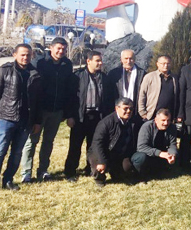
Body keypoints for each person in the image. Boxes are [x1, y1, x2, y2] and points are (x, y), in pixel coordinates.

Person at [21, 37, 72, 183]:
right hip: (40, 109)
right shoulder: (40, 63)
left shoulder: (67, 65)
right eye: (58, 48)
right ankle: (26, 173)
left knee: (48, 142)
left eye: (63, 49)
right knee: (32, 141)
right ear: (51, 47)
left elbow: (68, 89)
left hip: (56, 110)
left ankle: (43, 170)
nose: (61, 51)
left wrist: (66, 111)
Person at [64, 50, 114, 182]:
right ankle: (70, 172)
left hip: (97, 117)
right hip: (81, 117)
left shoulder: (104, 77)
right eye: (97, 60)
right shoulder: (78, 77)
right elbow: (70, 98)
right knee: (75, 146)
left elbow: (108, 99)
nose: (100, 63)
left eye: (100, 60)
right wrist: (70, 116)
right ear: (88, 61)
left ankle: (90, 168)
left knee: (93, 145)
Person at [0, 44, 42, 191]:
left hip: (25, 121)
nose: (25, 58)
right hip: (6, 118)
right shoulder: (5, 71)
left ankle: (8, 180)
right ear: (15, 54)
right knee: (1, 150)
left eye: (28, 55)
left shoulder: (35, 74)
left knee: (17, 153)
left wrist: (37, 121)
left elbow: (38, 101)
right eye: (22, 54)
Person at [88, 98, 137, 187]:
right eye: (125, 108)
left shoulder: (133, 121)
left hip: (119, 154)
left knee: (127, 168)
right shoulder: (106, 122)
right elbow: (97, 143)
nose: (129, 111)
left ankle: (116, 173)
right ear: (117, 108)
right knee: (98, 167)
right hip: (102, 152)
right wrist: (102, 161)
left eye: (131, 109)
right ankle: (100, 178)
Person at [131, 108, 178, 180]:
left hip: (161, 155)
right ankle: (139, 175)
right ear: (156, 120)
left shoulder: (172, 127)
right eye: (163, 120)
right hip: (147, 154)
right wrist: (160, 153)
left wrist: (172, 154)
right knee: (141, 157)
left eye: (168, 120)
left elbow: (172, 144)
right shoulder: (147, 126)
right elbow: (141, 147)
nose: (166, 123)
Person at [137, 55, 179, 121]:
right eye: (163, 63)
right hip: (151, 115)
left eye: (168, 63)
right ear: (157, 64)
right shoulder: (149, 77)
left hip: (168, 116)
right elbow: (142, 94)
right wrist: (142, 112)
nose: (165, 66)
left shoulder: (174, 78)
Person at [107, 49, 147, 117]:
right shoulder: (113, 74)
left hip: (135, 111)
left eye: (131, 58)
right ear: (121, 59)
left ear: (134, 59)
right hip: (117, 110)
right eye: (126, 58)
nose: (128, 61)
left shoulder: (142, 74)